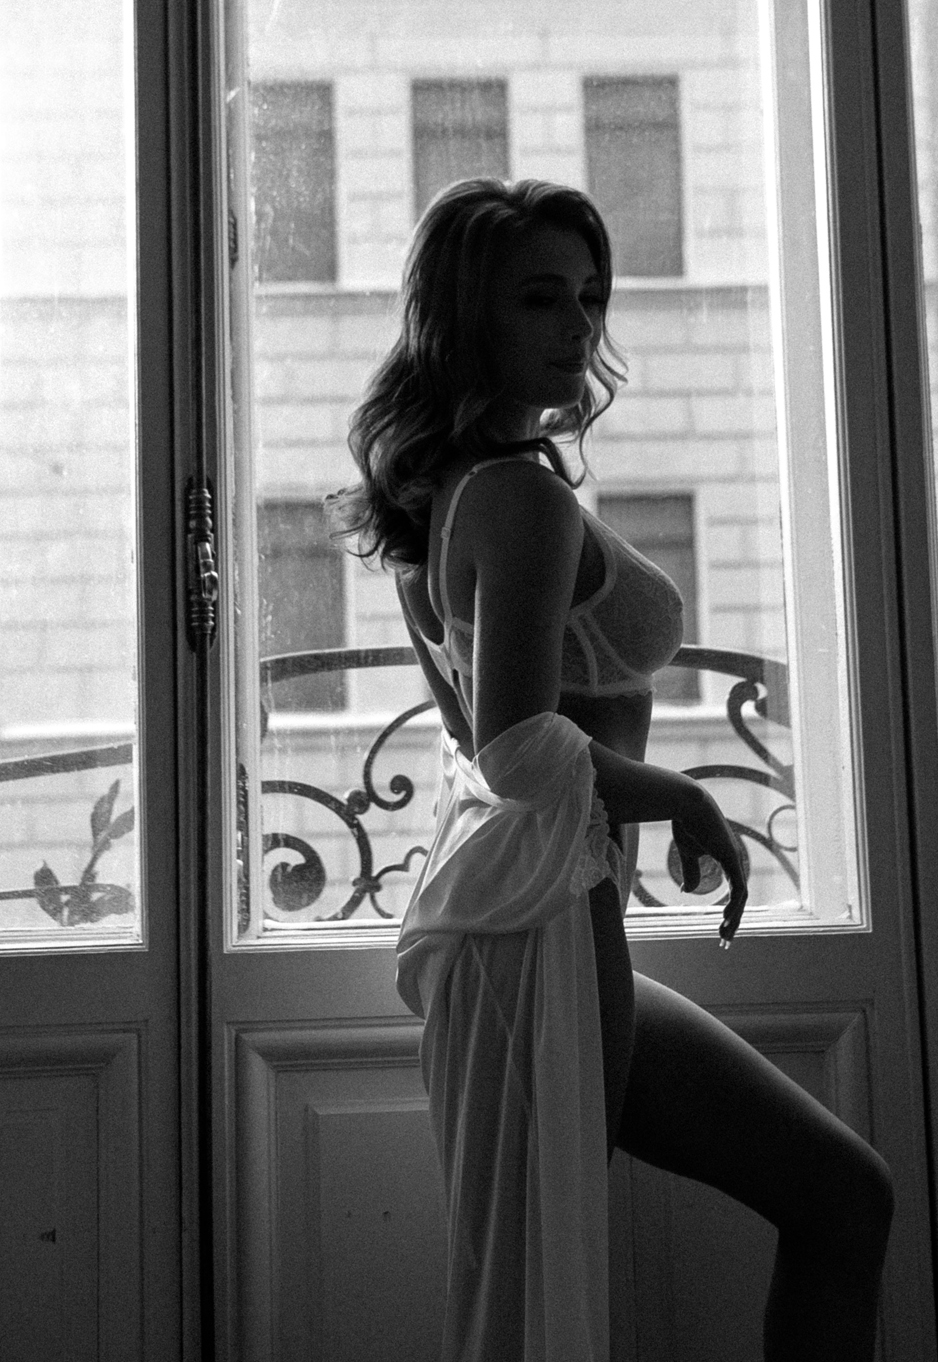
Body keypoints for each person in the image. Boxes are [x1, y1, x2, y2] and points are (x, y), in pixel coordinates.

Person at [328, 176, 893, 1362]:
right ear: (465, 316)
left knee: (834, 1199)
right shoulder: (519, 499)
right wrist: (684, 795)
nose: (578, 326)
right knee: (554, 1296)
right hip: (540, 919)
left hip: (521, 912)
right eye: (541, 298)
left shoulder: (445, 493)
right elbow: (514, 749)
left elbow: (478, 740)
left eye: (589, 297)